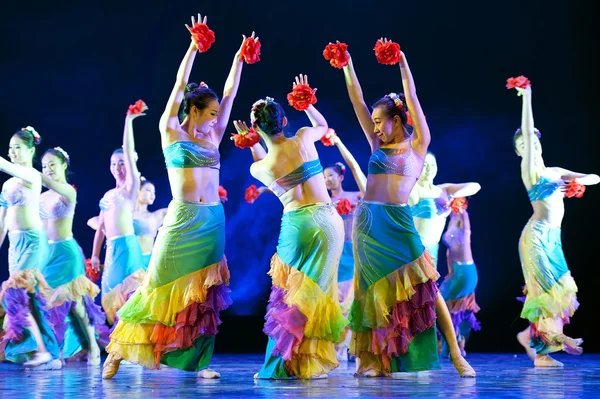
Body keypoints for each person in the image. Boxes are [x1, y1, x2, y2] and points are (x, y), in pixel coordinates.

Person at [103, 14, 246, 379]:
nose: (217, 120)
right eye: (210, 114)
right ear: (193, 110)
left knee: (205, 294)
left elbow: (230, 94)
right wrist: (193, 47)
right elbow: (180, 83)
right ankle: (120, 347)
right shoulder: (171, 133)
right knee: (156, 284)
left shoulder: (212, 138)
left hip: (212, 220)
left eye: (217, 115)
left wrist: (238, 58)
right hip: (181, 219)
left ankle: (199, 363)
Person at [340, 44, 475, 377]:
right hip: (368, 222)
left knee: (426, 286)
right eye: (372, 123)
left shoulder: (417, 145)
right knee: (370, 292)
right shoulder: (376, 144)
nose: (374, 128)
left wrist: (402, 64)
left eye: (380, 122)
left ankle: (456, 354)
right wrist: (347, 65)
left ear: (397, 120)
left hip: (398, 221)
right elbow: (356, 98)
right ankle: (374, 358)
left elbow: (412, 96)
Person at [235, 76, 346, 380]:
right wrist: (308, 102)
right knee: (315, 293)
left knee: (288, 294)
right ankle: (306, 360)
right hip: (329, 223)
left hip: (298, 226)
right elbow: (323, 126)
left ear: (256, 128)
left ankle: (279, 362)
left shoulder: (260, 167)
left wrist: (251, 141)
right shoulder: (303, 137)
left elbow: (263, 160)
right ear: (284, 120)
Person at [512, 84, 598, 367]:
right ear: (519, 153)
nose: (530, 147)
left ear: (541, 144)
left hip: (553, 238)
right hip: (535, 237)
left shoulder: (556, 172)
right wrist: (528, 98)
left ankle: (528, 336)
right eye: (523, 145)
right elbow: (528, 128)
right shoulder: (531, 171)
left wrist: (575, 182)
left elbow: (594, 177)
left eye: (533, 143)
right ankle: (542, 354)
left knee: (561, 288)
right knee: (545, 292)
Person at [0, 127, 61, 369]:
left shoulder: (33, 176)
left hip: (34, 243)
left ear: (31, 150)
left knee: (15, 295)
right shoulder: (7, 186)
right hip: (15, 245)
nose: (13, 152)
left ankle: (42, 350)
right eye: (10, 148)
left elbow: (5, 165)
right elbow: (2, 221)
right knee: (28, 300)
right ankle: (48, 352)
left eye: (18, 148)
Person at [39, 147, 105, 365]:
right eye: (43, 166)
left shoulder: (68, 190)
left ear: (64, 165)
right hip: (47, 254)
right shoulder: (41, 196)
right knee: (47, 303)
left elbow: (47, 182)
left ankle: (93, 347)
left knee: (76, 303)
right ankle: (54, 352)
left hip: (66, 253)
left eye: (52, 164)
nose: (47, 169)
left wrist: (26, 173)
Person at [89, 106, 145, 326]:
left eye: (122, 163)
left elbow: (128, 151)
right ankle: (122, 343)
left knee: (128, 295)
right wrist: (95, 255)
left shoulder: (131, 188)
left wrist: (128, 121)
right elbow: (101, 227)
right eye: (114, 163)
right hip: (111, 249)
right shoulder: (108, 194)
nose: (117, 167)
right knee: (109, 295)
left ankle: (132, 345)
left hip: (127, 246)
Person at [323, 135, 367, 361]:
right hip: (334, 253)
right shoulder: (323, 201)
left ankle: (349, 345)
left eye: (330, 175)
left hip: (353, 251)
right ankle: (337, 345)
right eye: (324, 177)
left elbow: (372, 200)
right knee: (334, 300)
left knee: (350, 298)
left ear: (340, 176)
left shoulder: (356, 196)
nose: (327, 180)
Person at [409, 152, 481, 268]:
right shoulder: (413, 189)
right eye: (425, 165)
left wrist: (455, 195)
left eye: (433, 165)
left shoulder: (443, 189)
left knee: (429, 284)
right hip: (416, 249)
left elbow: (476, 186)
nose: (429, 169)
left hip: (433, 249)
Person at [88, 178, 167, 270]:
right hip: (125, 261)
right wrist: (111, 228)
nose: (153, 195)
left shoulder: (157, 215)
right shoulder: (124, 214)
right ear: (137, 190)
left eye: (154, 192)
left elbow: (181, 207)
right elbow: (93, 221)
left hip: (148, 262)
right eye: (148, 190)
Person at [439, 203, 481, 357]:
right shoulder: (450, 216)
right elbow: (449, 251)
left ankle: (456, 342)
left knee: (448, 306)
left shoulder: (463, 216)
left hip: (466, 271)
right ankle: (456, 342)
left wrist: (461, 209)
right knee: (446, 306)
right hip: (456, 270)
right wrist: (450, 271)